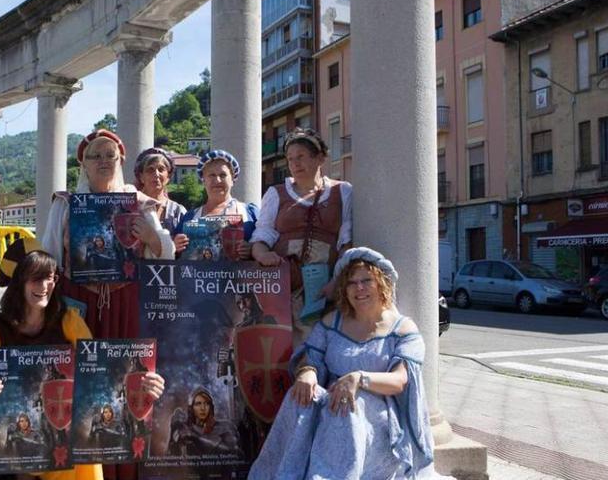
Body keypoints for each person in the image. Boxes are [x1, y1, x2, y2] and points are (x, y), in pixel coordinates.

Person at [0, 238, 166, 480]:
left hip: (66, 445)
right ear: (17, 282)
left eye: (50, 277)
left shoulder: (69, 321)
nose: (45, 285)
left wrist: (143, 383)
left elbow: (101, 374)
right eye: (35, 278)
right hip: (18, 448)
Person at [248, 247, 452, 480]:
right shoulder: (332, 322)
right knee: (300, 396)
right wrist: (307, 372)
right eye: (351, 283)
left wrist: (360, 378)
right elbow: (310, 357)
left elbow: (400, 380)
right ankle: (281, 474)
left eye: (366, 280)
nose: (359, 288)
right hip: (332, 399)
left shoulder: (403, 329)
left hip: (375, 411)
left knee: (347, 404)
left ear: (381, 284)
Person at [41, 130, 173, 480]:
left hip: (125, 304)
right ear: (83, 162)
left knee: (126, 385)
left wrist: (150, 238)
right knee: (78, 386)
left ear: (120, 161)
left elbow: (167, 255)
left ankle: (123, 471)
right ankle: (80, 473)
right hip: (77, 307)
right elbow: (49, 256)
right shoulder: (66, 203)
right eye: (95, 155)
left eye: (110, 155)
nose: (103, 161)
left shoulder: (138, 202)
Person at [250, 128, 353, 347]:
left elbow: (346, 241)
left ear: (320, 158)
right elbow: (262, 234)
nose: (295, 164)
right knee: (283, 345)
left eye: (301, 157)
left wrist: (338, 281)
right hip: (285, 282)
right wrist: (262, 254)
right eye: (290, 159)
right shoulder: (276, 193)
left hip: (324, 286)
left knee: (322, 344)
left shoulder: (342, 191)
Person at [173, 150, 258, 259]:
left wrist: (252, 249)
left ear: (232, 180)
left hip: (239, 275)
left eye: (223, 175)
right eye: (211, 175)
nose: (217, 180)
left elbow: (267, 243)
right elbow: (176, 257)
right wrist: (176, 245)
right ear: (203, 181)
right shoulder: (189, 218)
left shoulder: (250, 213)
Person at [167, 388, 240, 457]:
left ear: (211, 407)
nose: (203, 408)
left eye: (206, 403)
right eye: (198, 404)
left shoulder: (225, 427)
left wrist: (195, 437)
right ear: (191, 408)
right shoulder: (186, 429)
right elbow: (172, 460)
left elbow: (232, 452)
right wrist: (173, 431)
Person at [132, 147, 187, 234]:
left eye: (161, 169)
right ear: (141, 177)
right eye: (150, 170)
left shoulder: (178, 211)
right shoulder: (130, 208)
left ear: (168, 177)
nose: (156, 174)